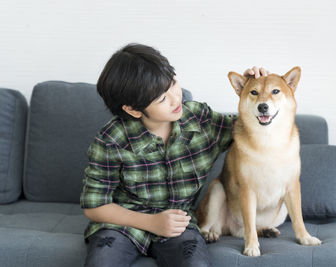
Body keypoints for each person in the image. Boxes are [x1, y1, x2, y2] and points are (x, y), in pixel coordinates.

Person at [80, 43, 269, 267]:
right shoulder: (111, 140)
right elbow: (94, 206)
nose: (175, 98)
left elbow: (249, 128)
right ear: (133, 109)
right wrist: (151, 222)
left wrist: (253, 89)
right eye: (162, 99)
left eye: (173, 83)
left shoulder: (199, 120)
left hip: (178, 225)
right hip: (122, 226)